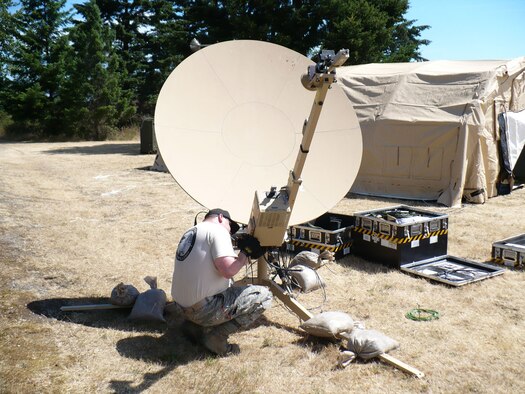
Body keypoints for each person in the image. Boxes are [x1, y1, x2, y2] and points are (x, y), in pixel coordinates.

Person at [170, 208, 272, 356]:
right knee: (264, 296)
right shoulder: (218, 231)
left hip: (180, 308)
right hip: (202, 311)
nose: (229, 231)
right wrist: (245, 253)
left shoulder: (191, 231)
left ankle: (193, 326)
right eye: (230, 226)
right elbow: (229, 270)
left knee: (229, 284)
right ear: (220, 218)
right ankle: (217, 337)